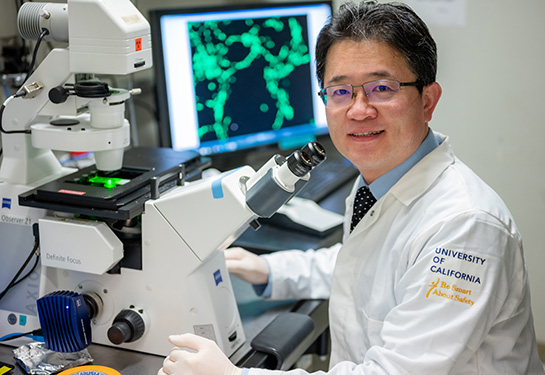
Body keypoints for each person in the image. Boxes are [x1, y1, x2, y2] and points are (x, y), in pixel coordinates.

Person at [158, 1, 544, 374]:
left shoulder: (465, 229)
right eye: (340, 91)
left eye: (382, 88)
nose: (359, 110)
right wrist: (269, 269)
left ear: (427, 100)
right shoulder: (381, 179)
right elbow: (369, 265)